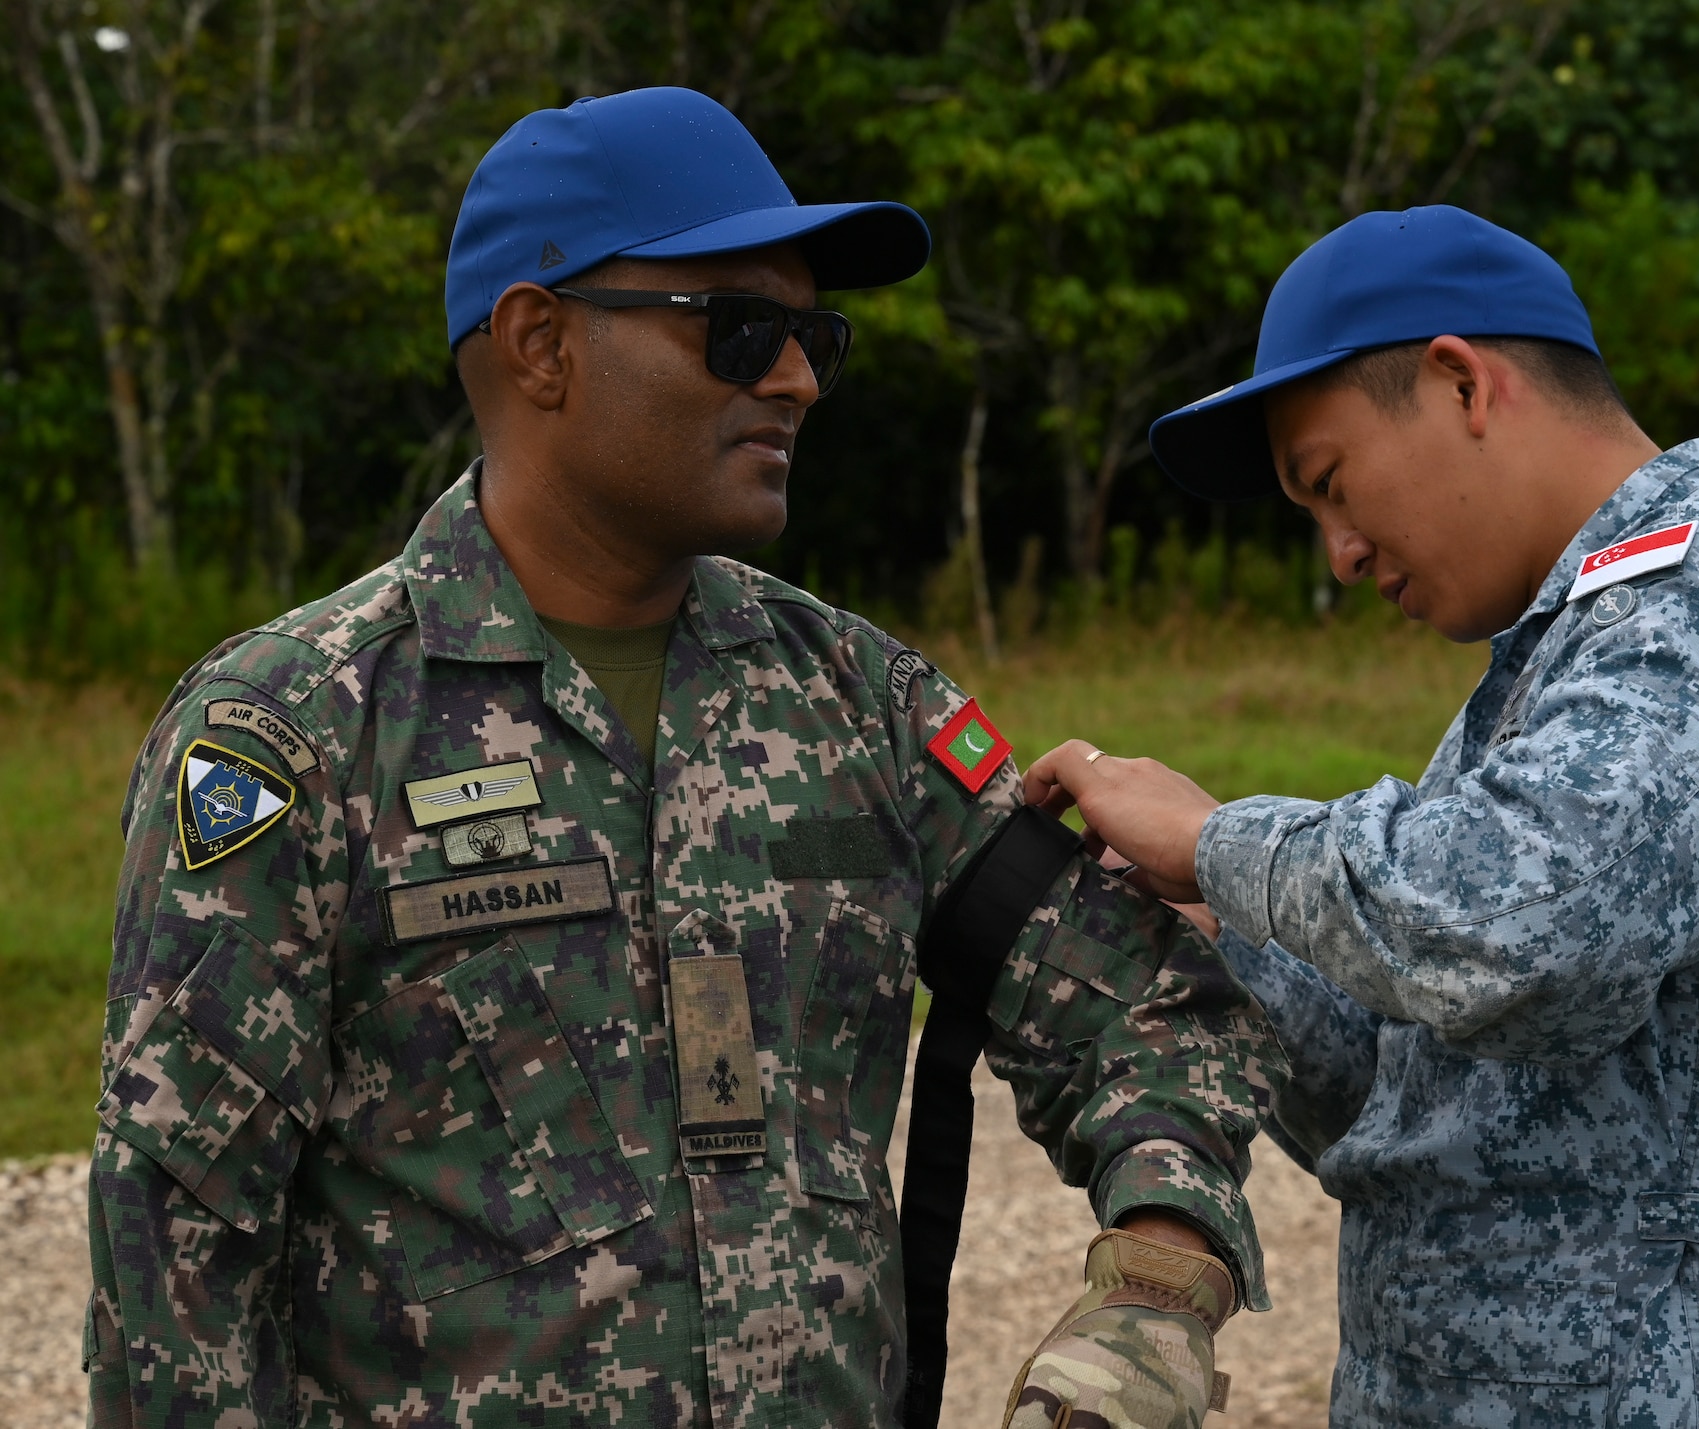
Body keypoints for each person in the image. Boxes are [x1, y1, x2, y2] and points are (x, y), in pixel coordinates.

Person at [84, 86, 1282, 1429]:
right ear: (540, 342)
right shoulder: (296, 733)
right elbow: (178, 1244)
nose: (799, 378)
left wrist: (1160, 1281)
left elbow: (1145, 1006)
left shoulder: (858, 703)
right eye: (740, 330)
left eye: (811, 332)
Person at [1028, 205, 1699, 1427]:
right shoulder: (1565, 657)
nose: (1334, 554)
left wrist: (1219, 842)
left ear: (1457, 382)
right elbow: (1402, 1096)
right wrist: (1210, 918)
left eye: (1328, 484)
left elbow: (1525, 926)